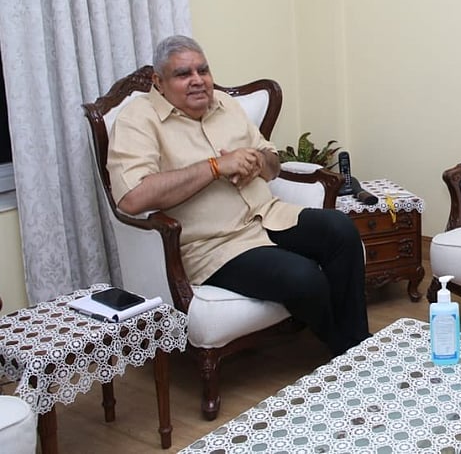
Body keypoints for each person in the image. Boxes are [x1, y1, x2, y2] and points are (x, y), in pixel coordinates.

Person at [107, 35, 370, 356]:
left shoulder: (225, 104)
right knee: (303, 277)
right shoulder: (137, 120)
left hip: (268, 217)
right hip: (214, 245)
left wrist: (258, 161)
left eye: (203, 70)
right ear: (158, 82)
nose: (198, 80)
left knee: (340, 229)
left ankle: (359, 344)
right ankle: (347, 348)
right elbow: (132, 197)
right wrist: (215, 167)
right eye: (183, 74)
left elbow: (273, 166)